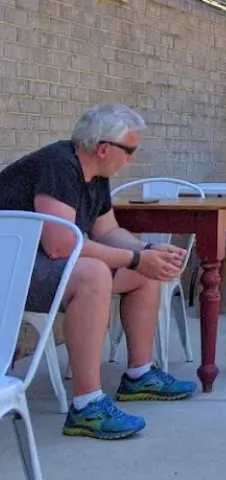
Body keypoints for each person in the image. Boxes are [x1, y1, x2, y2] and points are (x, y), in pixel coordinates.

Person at [0, 104, 196, 440]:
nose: (131, 159)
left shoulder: (95, 175)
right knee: (94, 273)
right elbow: (60, 245)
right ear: (104, 148)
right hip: (10, 272)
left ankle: (139, 375)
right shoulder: (59, 166)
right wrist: (133, 258)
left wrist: (147, 253)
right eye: (130, 151)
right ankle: (86, 407)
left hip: (36, 267)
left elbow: (107, 232)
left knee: (146, 272)